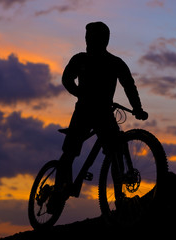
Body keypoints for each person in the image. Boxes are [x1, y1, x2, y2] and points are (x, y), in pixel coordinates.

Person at [53, 21, 148, 204]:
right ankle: (57, 192)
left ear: (103, 40)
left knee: (115, 152)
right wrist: (137, 108)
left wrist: (137, 108)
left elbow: (129, 86)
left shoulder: (114, 62)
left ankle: (119, 197)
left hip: (102, 113)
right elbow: (67, 79)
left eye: (92, 37)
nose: (89, 41)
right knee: (71, 152)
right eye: (88, 37)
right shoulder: (83, 59)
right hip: (84, 112)